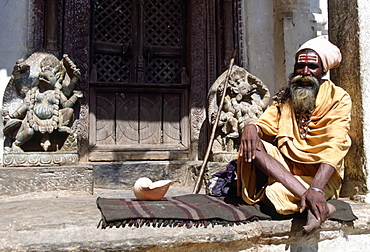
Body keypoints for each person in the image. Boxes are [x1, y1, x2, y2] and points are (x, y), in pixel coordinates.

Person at [237, 36, 351, 234]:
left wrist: (316, 188)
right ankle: (314, 202)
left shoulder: (338, 98)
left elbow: (335, 146)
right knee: (251, 143)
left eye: (312, 67)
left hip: (320, 178)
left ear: (324, 71)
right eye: (300, 65)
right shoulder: (286, 97)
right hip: (289, 171)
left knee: (273, 196)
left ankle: (314, 196)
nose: (305, 72)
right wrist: (251, 127)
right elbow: (264, 123)